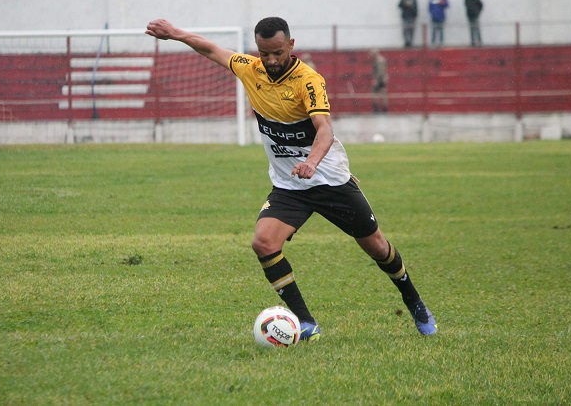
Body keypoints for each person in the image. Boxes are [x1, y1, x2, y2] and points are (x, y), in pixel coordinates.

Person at [145, 17, 437, 340]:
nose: (270, 60)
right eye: (264, 53)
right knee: (263, 242)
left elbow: (325, 130)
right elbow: (211, 48)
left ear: (291, 46)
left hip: (330, 180)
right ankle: (306, 322)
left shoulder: (308, 81)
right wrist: (174, 34)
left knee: (378, 247)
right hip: (290, 186)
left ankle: (414, 300)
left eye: (277, 53)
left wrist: (311, 162)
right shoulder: (249, 69)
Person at [370, 49, 389, 113]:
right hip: (382, 79)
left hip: (380, 79)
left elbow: (380, 72)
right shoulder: (379, 59)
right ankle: (383, 109)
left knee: (377, 93)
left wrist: (376, 80)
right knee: (382, 93)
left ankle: (379, 109)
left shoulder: (379, 60)